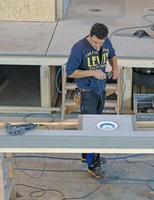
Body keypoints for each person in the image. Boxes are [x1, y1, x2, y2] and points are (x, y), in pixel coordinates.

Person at [65, 23, 119, 179]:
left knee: (97, 122)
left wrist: (115, 68)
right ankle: (93, 165)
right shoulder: (79, 48)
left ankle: (86, 155)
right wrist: (93, 72)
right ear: (90, 36)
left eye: (101, 43)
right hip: (87, 91)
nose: (98, 45)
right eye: (95, 42)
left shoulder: (105, 42)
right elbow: (71, 72)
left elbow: (112, 55)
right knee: (93, 128)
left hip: (100, 90)